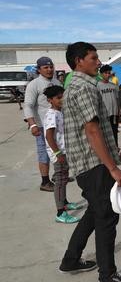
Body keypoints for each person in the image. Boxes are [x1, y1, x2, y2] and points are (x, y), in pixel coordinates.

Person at [58, 41, 121, 282]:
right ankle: (108, 276)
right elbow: (91, 130)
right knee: (106, 218)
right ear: (79, 61)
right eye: (93, 58)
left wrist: (118, 153)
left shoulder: (79, 86)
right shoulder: (83, 88)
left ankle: (71, 260)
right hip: (92, 164)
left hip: (90, 161)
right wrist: (113, 168)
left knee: (94, 212)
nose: (98, 62)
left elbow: (99, 128)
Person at [43, 85, 83, 224]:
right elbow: (49, 136)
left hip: (64, 151)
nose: (62, 99)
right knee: (60, 180)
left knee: (64, 177)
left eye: (63, 96)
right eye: (58, 98)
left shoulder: (60, 112)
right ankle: (61, 212)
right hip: (58, 153)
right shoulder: (52, 115)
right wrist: (58, 153)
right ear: (50, 100)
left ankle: (64, 202)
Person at [23, 56, 62, 192]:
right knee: (44, 153)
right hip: (42, 126)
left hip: (58, 124)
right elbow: (28, 105)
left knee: (59, 148)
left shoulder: (57, 82)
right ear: (39, 70)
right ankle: (45, 181)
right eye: (46, 67)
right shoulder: (34, 85)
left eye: (51, 66)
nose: (49, 69)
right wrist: (33, 125)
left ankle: (59, 175)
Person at [97, 65, 121, 146]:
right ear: (101, 74)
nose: (107, 75)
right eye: (105, 73)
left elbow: (117, 99)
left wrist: (119, 110)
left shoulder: (113, 86)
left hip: (114, 113)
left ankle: (116, 148)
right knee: (105, 133)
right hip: (104, 114)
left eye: (109, 73)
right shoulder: (98, 86)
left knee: (115, 131)